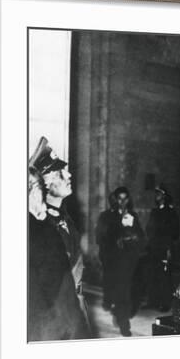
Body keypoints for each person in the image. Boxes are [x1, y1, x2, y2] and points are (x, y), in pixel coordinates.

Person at [27, 137, 92, 341]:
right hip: (55, 317)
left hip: (74, 306)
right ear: (44, 183)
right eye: (59, 173)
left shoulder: (65, 218)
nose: (69, 175)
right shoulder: (40, 229)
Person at [108, 186, 144, 336]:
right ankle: (124, 325)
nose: (122, 202)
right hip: (116, 261)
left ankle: (121, 312)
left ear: (128, 200)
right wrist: (120, 234)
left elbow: (141, 236)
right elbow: (107, 238)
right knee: (122, 292)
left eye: (125, 199)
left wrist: (133, 235)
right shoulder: (110, 217)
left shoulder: (133, 215)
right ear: (116, 200)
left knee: (130, 292)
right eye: (120, 199)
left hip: (131, 260)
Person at [145, 186, 180, 311]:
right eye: (156, 194)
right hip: (154, 247)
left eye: (159, 194)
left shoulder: (170, 212)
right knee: (152, 273)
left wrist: (169, 247)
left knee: (165, 275)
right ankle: (153, 301)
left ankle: (166, 303)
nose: (156, 196)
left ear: (164, 196)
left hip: (165, 247)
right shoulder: (154, 211)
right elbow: (149, 228)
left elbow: (175, 231)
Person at [95, 192, 117, 311]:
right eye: (112, 200)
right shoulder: (104, 216)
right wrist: (102, 249)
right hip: (108, 252)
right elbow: (98, 233)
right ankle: (107, 301)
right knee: (108, 277)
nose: (114, 202)